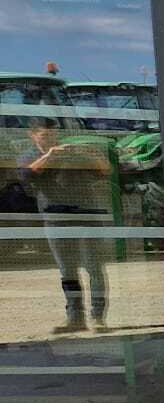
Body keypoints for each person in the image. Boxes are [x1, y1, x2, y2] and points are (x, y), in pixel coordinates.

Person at [20, 116, 112, 333]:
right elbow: (25, 175)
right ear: (32, 135)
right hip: (56, 220)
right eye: (45, 135)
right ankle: (75, 318)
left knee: (94, 268)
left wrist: (93, 154)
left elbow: (105, 171)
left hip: (87, 217)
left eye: (53, 135)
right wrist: (49, 156)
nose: (50, 139)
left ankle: (98, 317)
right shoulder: (30, 156)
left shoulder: (73, 153)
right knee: (67, 271)